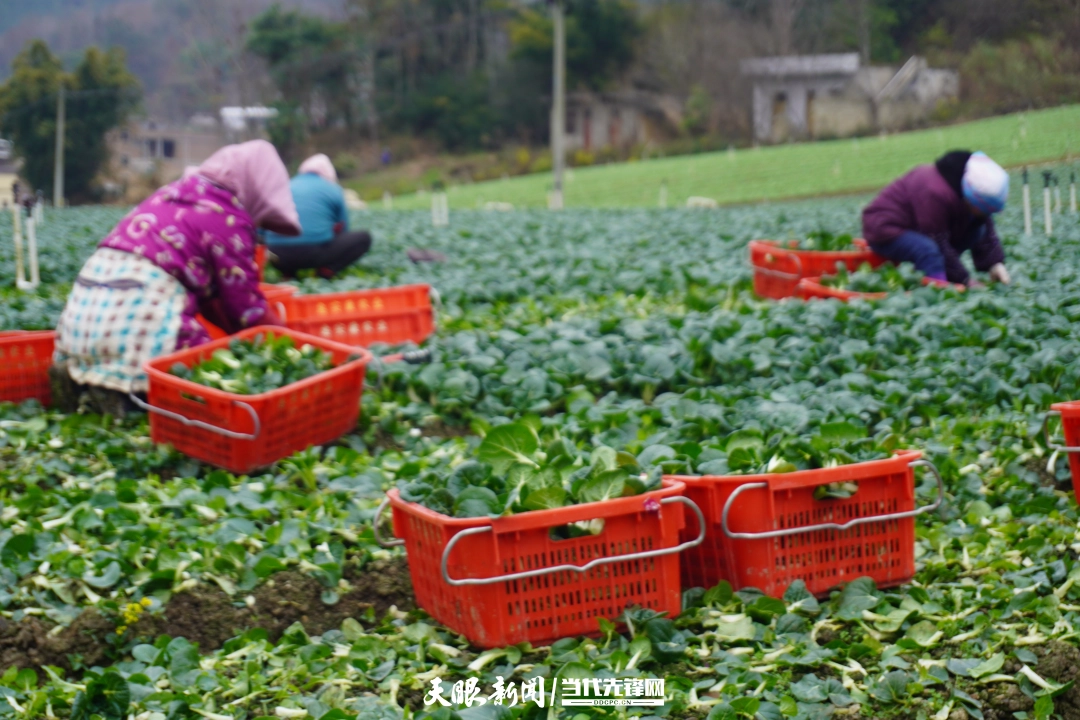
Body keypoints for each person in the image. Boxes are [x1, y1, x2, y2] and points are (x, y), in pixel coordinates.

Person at [51, 139, 301, 416]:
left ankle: (92, 388)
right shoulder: (228, 218)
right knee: (211, 369)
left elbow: (215, 302)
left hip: (81, 324)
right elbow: (246, 310)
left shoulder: (170, 195)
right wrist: (293, 348)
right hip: (138, 318)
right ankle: (131, 395)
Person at [862, 150, 1011, 287]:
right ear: (971, 195)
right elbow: (937, 242)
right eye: (982, 208)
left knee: (976, 231)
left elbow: (982, 222)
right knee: (928, 251)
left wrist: (995, 264)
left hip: (916, 227)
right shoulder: (935, 192)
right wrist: (965, 281)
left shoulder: (964, 187)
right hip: (883, 227)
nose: (983, 213)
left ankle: (938, 274)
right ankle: (938, 289)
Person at [264, 153, 372, 279]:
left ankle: (288, 274)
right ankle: (325, 272)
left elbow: (263, 228)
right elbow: (343, 228)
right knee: (364, 238)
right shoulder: (333, 189)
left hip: (276, 255)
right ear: (329, 173)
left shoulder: (286, 186)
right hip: (313, 255)